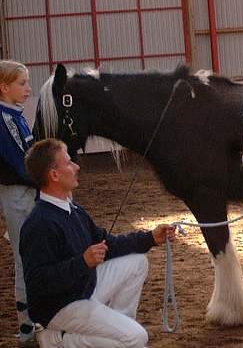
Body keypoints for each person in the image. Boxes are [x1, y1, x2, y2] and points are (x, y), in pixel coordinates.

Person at [20, 138, 176, 348]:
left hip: (84, 287)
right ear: (54, 175)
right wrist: (82, 262)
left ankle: (117, 331)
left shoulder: (74, 210)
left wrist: (150, 238)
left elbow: (108, 243)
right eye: (69, 162)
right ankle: (56, 340)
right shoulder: (39, 223)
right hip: (60, 307)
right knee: (138, 338)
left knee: (137, 262)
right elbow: (38, 283)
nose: (77, 167)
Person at [0, 60, 37, 346]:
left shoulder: (16, 115)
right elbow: (20, 163)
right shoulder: (5, 120)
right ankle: (27, 327)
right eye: (22, 83)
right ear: (4, 87)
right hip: (17, 194)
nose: (28, 89)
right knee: (25, 256)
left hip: (26, 192)